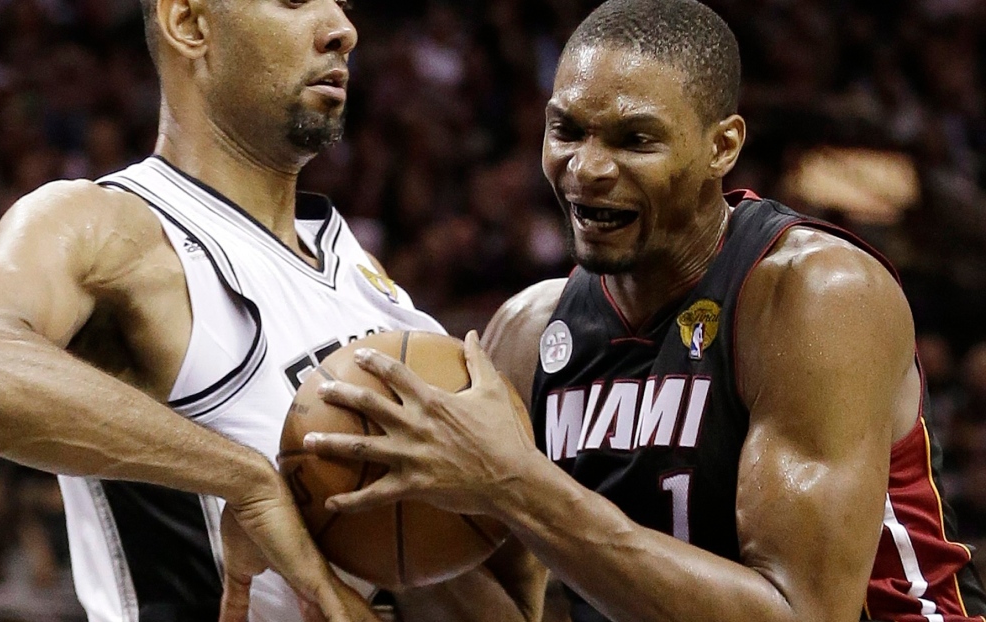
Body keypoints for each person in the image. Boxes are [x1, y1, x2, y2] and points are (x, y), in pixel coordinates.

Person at [302, 0, 986, 620]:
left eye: (634, 140)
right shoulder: (529, 330)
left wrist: (515, 483)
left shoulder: (815, 294)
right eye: (566, 130)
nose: (586, 168)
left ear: (722, 147)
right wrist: (387, 516)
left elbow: (801, 613)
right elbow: (506, 606)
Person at [0, 0, 441, 620]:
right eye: (295, 0)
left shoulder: (373, 284)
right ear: (188, 22)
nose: (344, 29)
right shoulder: (111, 226)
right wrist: (246, 479)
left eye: (343, 3)